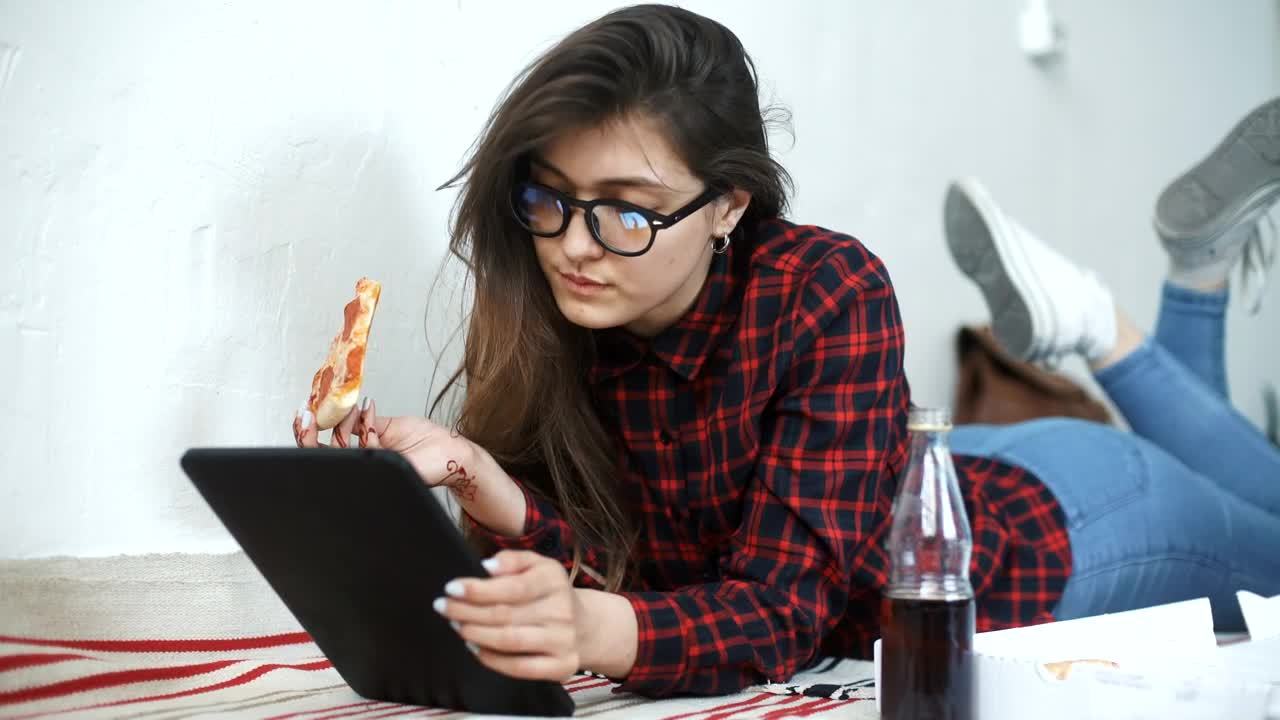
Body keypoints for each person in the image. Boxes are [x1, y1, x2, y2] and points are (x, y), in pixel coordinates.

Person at [291, 4, 1280, 698]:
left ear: (727, 204)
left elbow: (775, 616)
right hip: (937, 472)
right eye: (549, 197)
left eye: (626, 212)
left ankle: (1105, 326)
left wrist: (592, 631)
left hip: (1070, 528)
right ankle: (1185, 273)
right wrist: (477, 481)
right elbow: (637, 573)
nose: (573, 244)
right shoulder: (553, 292)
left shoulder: (825, 289)